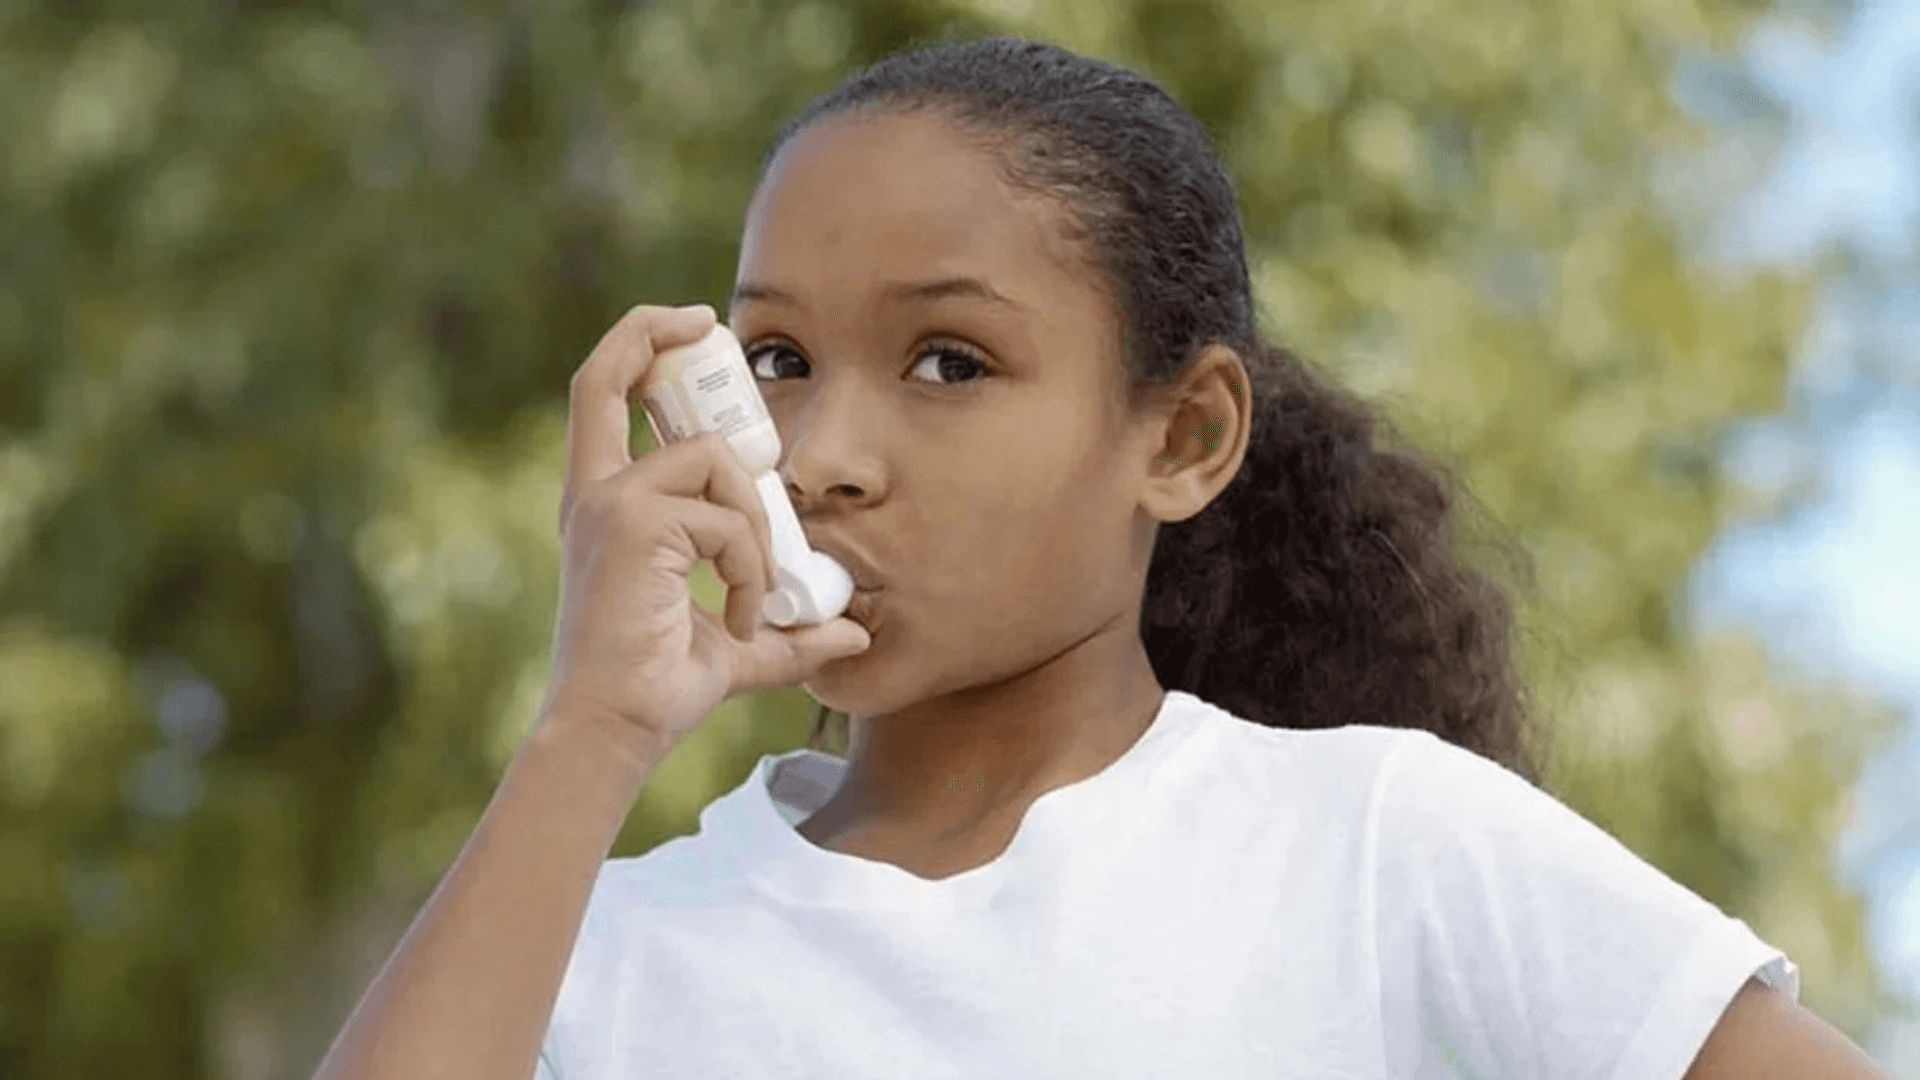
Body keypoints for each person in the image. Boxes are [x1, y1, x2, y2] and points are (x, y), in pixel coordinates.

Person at [309, 34, 1894, 1080]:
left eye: (949, 363)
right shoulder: (599, 958)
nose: (820, 453)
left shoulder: (1378, 851)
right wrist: (589, 734)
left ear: (1185, 437)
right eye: (778, 359)